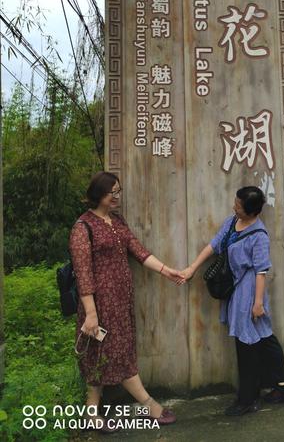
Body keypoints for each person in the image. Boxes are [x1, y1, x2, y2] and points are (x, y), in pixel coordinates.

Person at [70, 171, 184, 431]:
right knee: (113, 355)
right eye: (113, 193)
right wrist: (90, 313)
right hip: (99, 306)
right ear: (99, 195)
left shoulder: (117, 221)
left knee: (98, 356)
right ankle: (149, 405)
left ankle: (91, 415)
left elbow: (139, 251)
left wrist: (168, 271)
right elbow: (83, 273)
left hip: (120, 303)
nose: (117, 197)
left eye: (119, 192)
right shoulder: (82, 227)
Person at [180, 186, 284, 415]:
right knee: (263, 338)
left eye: (239, 204)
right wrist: (192, 268)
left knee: (247, 345)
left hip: (250, 292)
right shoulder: (233, 221)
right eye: (235, 201)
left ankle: (248, 400)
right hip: (237, 290)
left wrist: (258, 303)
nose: (234, 206)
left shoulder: (260, 235)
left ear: (251, 211)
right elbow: (214, 244)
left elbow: (261, 271)